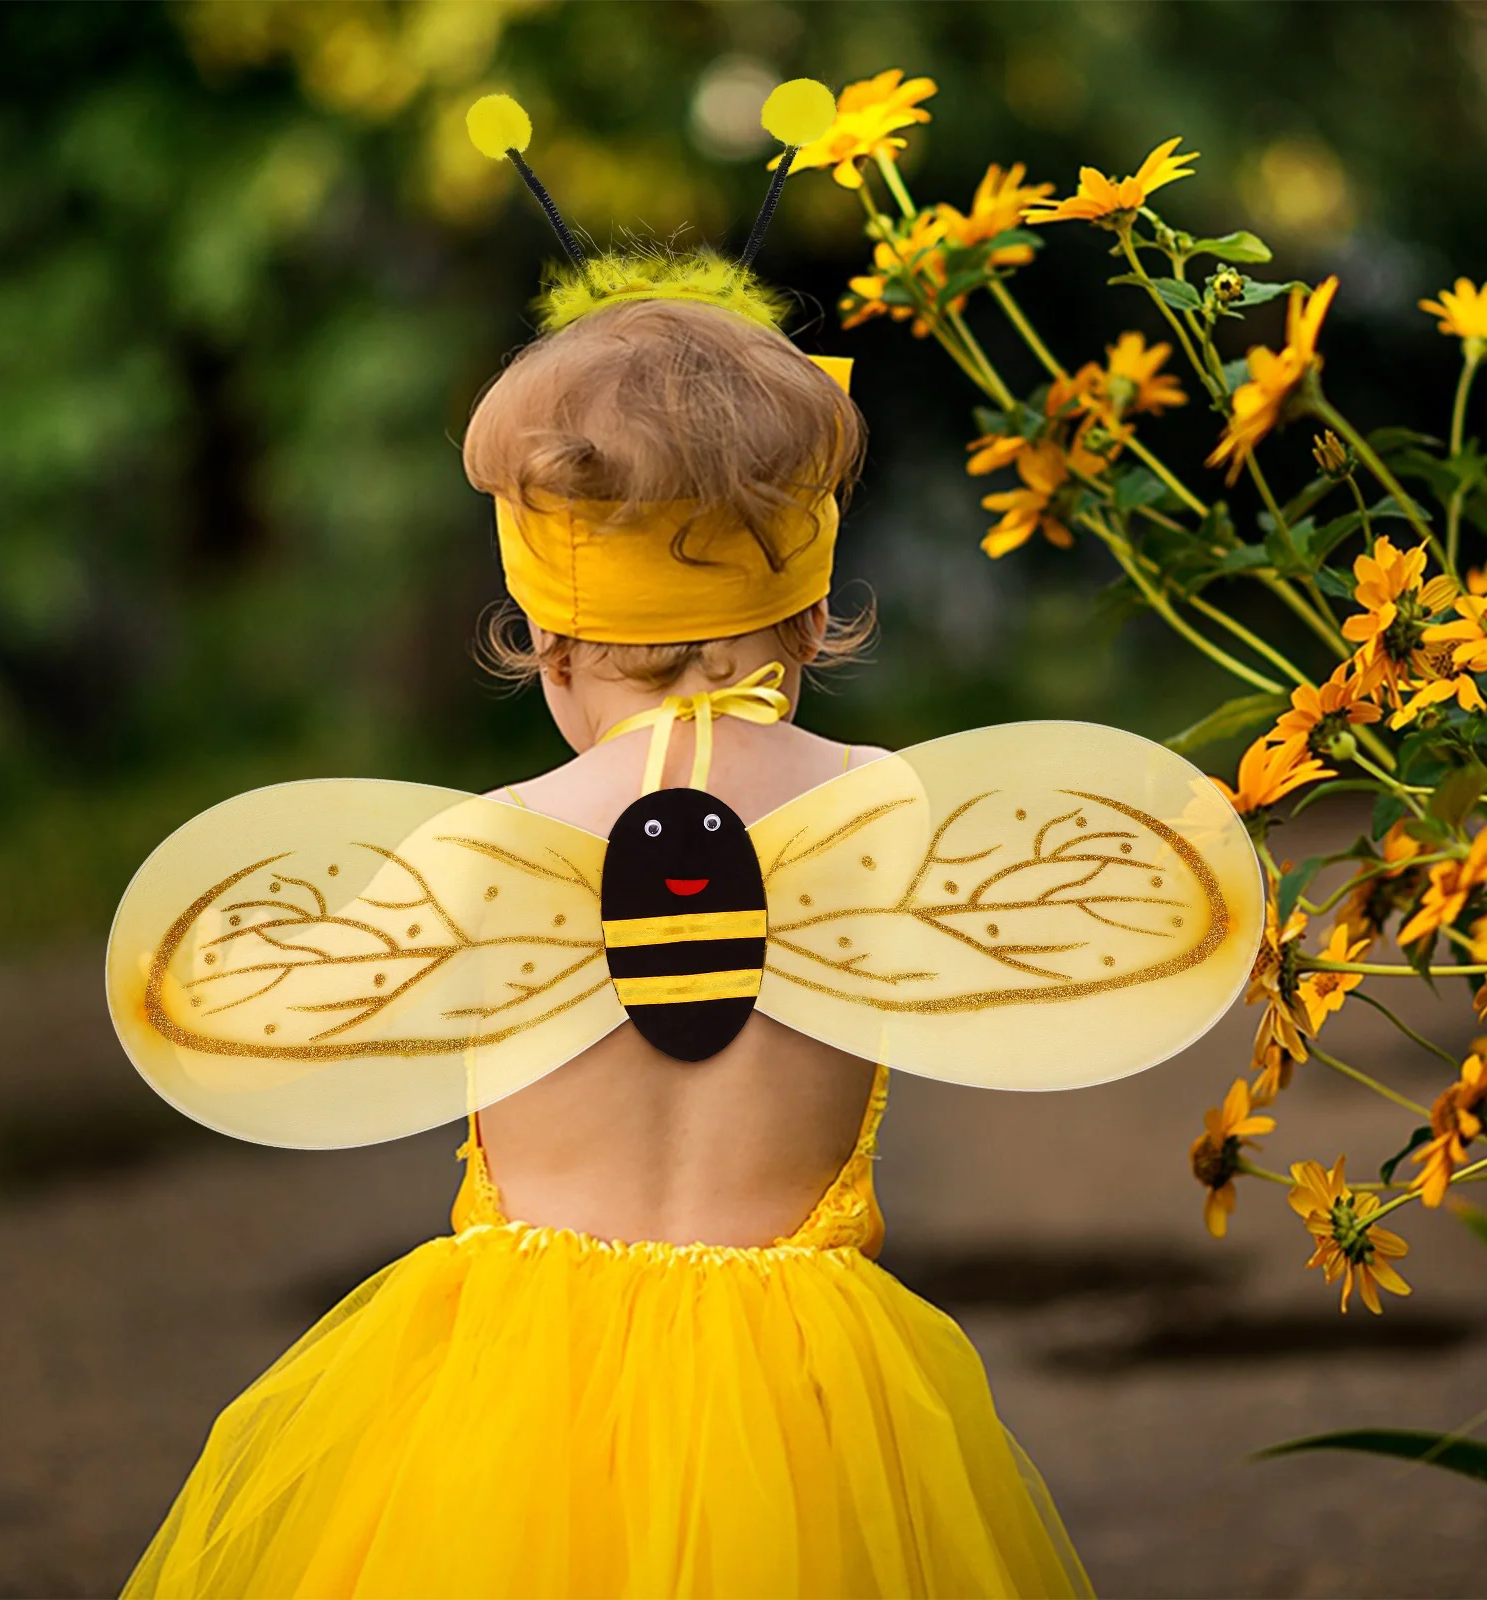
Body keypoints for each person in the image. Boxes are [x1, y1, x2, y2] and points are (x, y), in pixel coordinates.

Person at [117, 82, 1262, 1598]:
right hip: (811, 1399)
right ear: (808, 604)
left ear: (543, 630)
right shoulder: (888, 819)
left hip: (501, 1405)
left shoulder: (487, 844)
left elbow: (277, 1008)